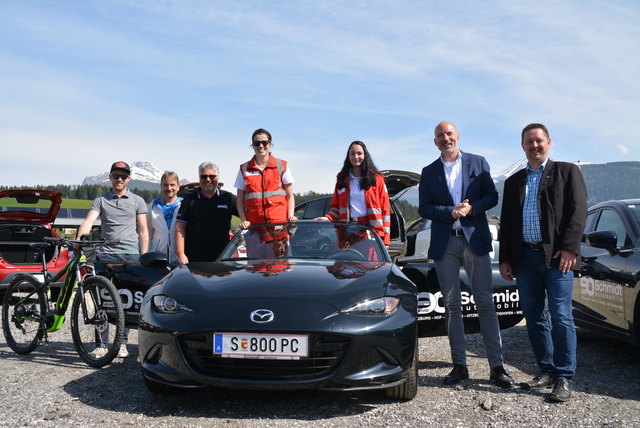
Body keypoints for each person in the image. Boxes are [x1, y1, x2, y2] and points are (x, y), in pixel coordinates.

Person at [418, 121, 513, 388]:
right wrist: (450, 212)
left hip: (475, 241)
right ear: (435, 142)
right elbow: (425, 208)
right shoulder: (428, 172)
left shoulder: (478, 163)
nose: (445, 138)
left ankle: (497, 366)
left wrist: (470, 210)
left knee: (485, 301)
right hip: (445, 243)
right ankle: (459, 365)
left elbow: (491, 197)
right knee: (451, 306)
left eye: (449, 134)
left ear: (457, 136)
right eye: (440, 136)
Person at [499, 123, 587, 403]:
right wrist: (505, 259)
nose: (534, 146)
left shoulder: (567, 172)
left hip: (557, 258)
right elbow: (508, 224)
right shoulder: (514, 182)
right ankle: (546, 370)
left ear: (549, 142)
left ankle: (564, 377)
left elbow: (578, 211)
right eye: (528, 142)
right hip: (525, 258)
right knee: (534, 315)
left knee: (561, 316)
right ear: (522, 146)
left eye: (538, 141)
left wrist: (570, 249)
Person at [76, 161, 149, 359]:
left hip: (130, 255)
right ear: (110, 177)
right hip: (105, 255)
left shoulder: (138, 200)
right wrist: (81, 236)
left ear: (129, 179)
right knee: (102, 301)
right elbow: (89, 221)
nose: (119, 179)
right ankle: (101, 344)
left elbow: (143, 230)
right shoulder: (101, 200)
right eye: (116, 175)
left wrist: (144, 256)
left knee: (126, 301)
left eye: (123, 176)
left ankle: (122, 344)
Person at [316, 141, 391, 247]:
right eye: (352, 153)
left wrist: (385, 240)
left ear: (365, 155)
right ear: (348, 156)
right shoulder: (342, 179)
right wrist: (328, 218)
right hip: (347, 233)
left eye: (359, 153)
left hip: (371, 233)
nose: (356, 157)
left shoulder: (377, 180)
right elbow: (336, 208)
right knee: (342, 262)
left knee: (370, 263)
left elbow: (385, 211)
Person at [175, 163, 238, 264]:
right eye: (204, 176)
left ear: (218, 178)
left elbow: (247, 215)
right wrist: (180, 254)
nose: (208, 179)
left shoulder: (228, 198)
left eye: (212, 176)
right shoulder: (189, 200)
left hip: (222, 259)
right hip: (194, 259)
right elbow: (180, 228)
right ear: (199, 178)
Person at [235, 128, 296, 229]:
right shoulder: (244, 168)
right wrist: (244, 220)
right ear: (252, 145)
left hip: (279, 227)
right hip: (255, 230)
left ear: (270, 144)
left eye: (264, 142)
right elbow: (240, 200)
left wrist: (290, 216)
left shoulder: (282, 165)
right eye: (257, 143)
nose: (261, 146)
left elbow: (290, 196)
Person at [147, 171, 182, 262]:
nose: (169, 188)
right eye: (165, 185)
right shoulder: (153, 205)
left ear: (178, 187)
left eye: (172, 185)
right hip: (157, 258)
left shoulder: (184, 205)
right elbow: (148, 233)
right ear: (161, 187)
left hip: (180, 259)